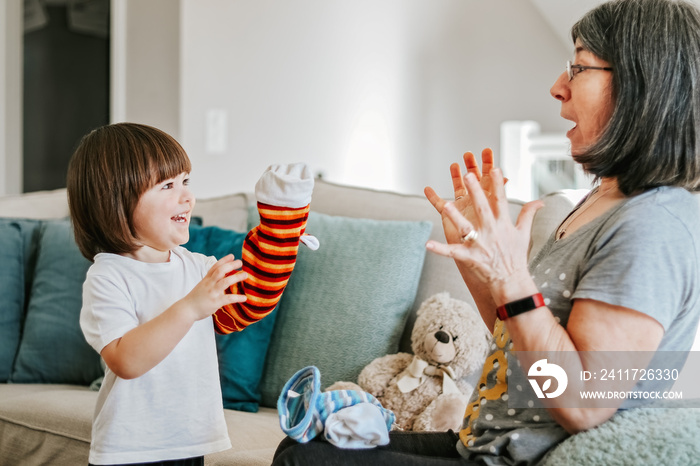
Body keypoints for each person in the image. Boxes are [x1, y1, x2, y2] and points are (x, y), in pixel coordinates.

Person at [271, 0, 700, 464]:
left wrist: (512, 276)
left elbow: (584, 402)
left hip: (515, 460)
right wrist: (476, 258)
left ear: (643, 84)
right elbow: (515, 333)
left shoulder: (653, 224)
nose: (558, 87)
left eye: (578, 67)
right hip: (480, 444)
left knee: (303, 462)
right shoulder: (604, 202)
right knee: (304, 446)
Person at [67, 123, 316, 466]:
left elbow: (251, 300)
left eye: (185, 181)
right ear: (115, 201)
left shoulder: (197, 266)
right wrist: (189, 309)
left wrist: (280, 228)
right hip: (130, 449)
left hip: (189, 441)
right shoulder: (108, 276)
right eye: (168, 185)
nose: (187, 196)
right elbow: (126, 361)